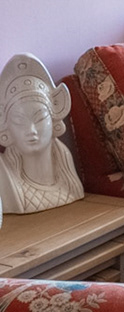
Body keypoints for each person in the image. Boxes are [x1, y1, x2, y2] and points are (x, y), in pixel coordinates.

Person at [0, 54, 85, 216]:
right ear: (7, 129)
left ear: (53, 121)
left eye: (39, 118)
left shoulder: (69, 177)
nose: (31, 129)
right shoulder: (5, 180)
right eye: (19, 121)